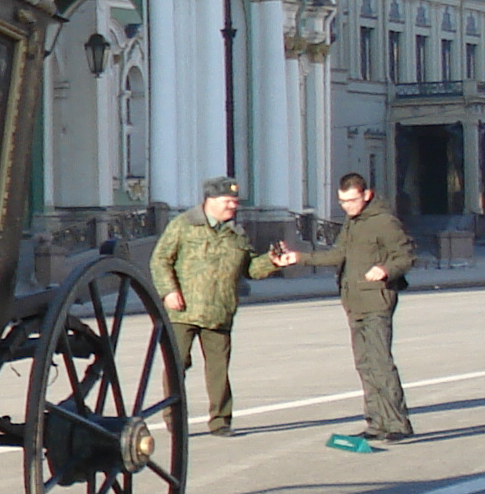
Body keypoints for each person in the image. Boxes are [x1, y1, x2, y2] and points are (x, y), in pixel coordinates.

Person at [271, 172, 417, 441]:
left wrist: (385, 269)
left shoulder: (383, 222)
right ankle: (376, 422)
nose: (347, 206)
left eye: (351, 201)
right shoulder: (353, 223)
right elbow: (339, 255)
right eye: (342, 202)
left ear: (367, 195)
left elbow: (406, 255)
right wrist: (298, 257)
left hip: (377, 301)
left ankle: (397, 423)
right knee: (364, 364)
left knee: (380, 363)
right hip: (354, 301)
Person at [149, 175, 277, 435]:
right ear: (210, 200)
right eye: (228, 201)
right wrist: (168, 292)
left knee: (219, 369)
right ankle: (175, 420)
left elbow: (250, 268)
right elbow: (160, 259)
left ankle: (220, 420)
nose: (233, 206)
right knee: (177, 365)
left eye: (235, 202)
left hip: (220, 311)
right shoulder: (184, 225)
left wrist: (273, 261)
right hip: (183, 311)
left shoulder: (236, 233)